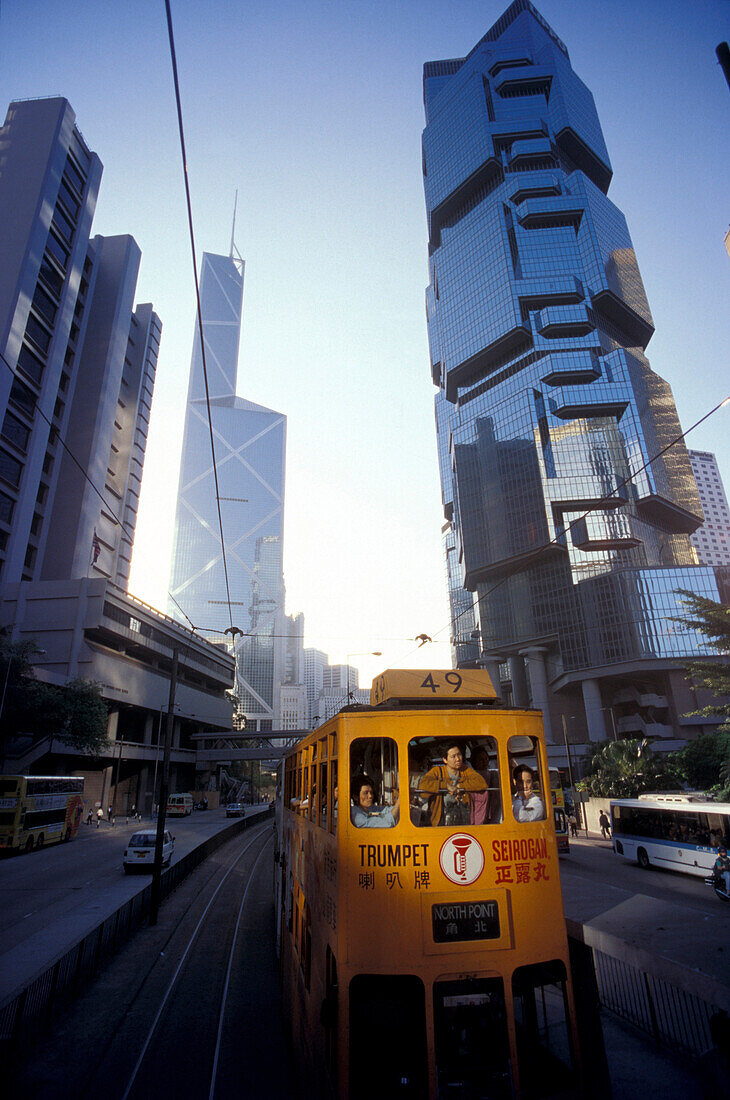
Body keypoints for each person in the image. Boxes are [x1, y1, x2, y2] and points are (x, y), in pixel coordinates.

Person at [417, 743, 487, 827]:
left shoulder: (465, 770)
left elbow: (481, 783)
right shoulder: (437, 771)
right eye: (453, 756)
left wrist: (459, 787)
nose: (458, 759)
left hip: (463, 820)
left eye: (459, 755)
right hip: (440, 822)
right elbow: (423, 786)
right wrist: (446, 786)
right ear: (445, 760)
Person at [469, 746, 501, 825]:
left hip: (492, 814)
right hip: (476, 816)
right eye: (480, 759)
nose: (484, 762)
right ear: (474, 761)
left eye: (486, 759)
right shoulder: (470, 777)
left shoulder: (493, 775)